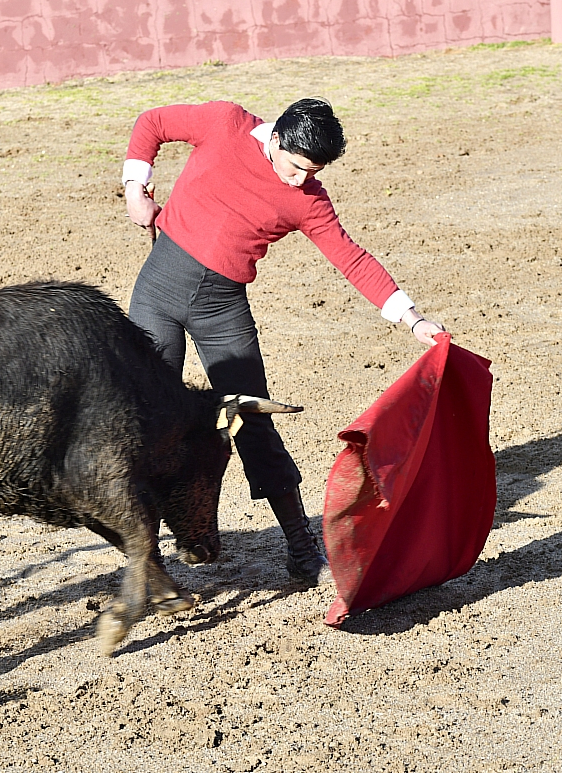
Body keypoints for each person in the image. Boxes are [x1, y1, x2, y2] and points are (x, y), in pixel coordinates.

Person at [121, 98, 444, 587]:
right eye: (295, 167)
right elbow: (153, 123)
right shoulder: (225, 123)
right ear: (275, 138)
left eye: (310, 172)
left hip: (220, 309)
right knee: (146, 424)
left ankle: (300, 546)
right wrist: (133, 188)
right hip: (156, 293)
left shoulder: (309, 199)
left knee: (253, 419)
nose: (298, 181)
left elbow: (351, 259)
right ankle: (150, 563)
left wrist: (413, 320)